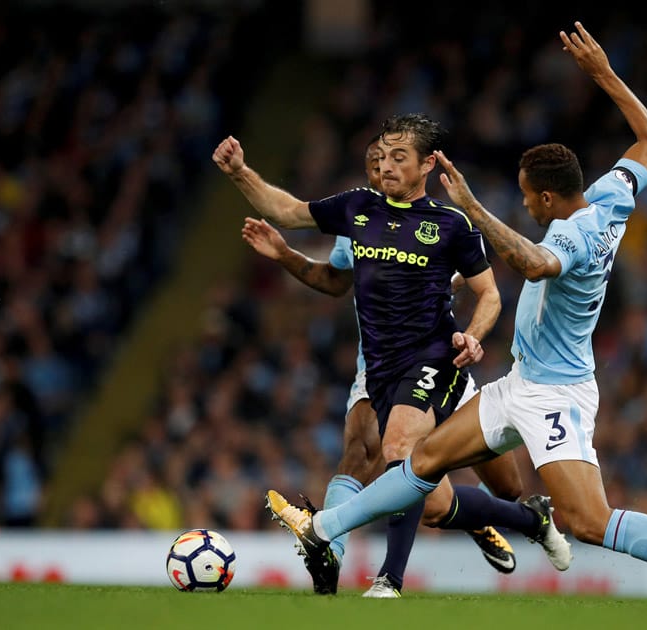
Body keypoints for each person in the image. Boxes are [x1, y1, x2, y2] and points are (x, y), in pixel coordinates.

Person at [266, 22, 647, 609]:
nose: (526, 204)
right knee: (422, 459)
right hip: (519, 382)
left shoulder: (574, 237)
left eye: (529, 197)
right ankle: (322, 528)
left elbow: (530, 263)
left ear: (549, 198)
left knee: (589, 520)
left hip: (557, 395)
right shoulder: (610, 196)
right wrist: (602, 73)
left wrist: (474, 208)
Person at [216, 117, 528, 598]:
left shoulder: (450, 224)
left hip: (441, 357)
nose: (384, 168)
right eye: (379, 159)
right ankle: (374, 568)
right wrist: (241, 173)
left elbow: (488, 292)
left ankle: (516, 516)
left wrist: (471, 334)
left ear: (426, 165)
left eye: (396, 158)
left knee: (503, 484)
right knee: (394, 461)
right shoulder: (356, 211)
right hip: (380, 366)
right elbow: (300, 228)